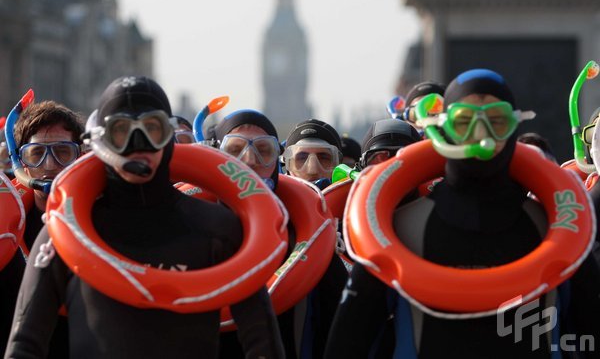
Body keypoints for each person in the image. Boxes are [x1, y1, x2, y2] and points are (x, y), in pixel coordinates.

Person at [325, 69, 600, 358]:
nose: (480, 136)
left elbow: (590, 334)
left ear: (513, 128)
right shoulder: (401, 229)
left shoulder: (554, 228)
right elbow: (348, 343)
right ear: (443, 130)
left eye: (496, 121)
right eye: (464, 122)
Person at [5, 77, 284, 359]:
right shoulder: (66, 232)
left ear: (168, 136)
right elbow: (24, 345)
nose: (138, 145)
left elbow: (263, 346)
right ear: (100, 142)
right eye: (121, 131)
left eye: (152, 129)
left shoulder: (218, 229)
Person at [215, 110, 348, 359]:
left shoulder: (308, 236)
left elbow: (342, 327)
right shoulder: (196, 230)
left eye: (263, 151)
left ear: (276, 162)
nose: (250, 161)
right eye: (235, 150)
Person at [1, 101, 84, 358]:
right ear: (20, 162)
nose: (49, 165)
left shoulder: (104, 218)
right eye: (36, 154)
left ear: (80, 157)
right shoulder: (5, 223)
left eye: (63, 152)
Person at [283, 119, 343, 189]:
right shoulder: (274, 198)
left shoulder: (352, 199)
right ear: (288, 163)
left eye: (323, 158)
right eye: (302, 158)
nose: (312, 171)